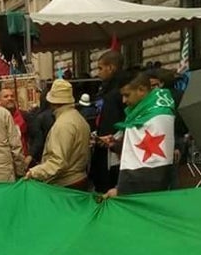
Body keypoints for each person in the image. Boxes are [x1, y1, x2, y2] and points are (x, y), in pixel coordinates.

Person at [102, 73, 175, 199]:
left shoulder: (152, 118)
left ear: (141, 90)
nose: (124, 101)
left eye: (127, 95)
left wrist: (122, 191)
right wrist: (117, 144)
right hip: (159, 187)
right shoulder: (151, 110)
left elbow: (148, 167)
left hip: (144, 193)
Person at [25, 80, 91, 190]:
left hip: (66, 183)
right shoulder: (78, 118)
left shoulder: (63, 125)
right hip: (79, 178)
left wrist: (34, 172)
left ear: (52, 102)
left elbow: (58, 162)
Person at [91, 50, 127, 192]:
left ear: (111, 68)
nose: (98, 72)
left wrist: (106, 138)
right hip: (107, 143)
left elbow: (114, 119)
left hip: (112, 147)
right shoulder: (107, 89)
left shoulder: (116, 92)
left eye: (100, 68)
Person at [0, 87, 29, 156]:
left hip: (23, 158)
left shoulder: (24, 115)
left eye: (12, 96)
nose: (10, 98)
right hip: (4, 159)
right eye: (6, 96)